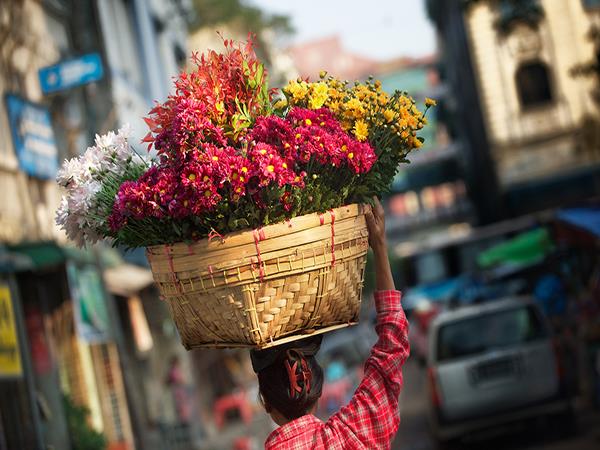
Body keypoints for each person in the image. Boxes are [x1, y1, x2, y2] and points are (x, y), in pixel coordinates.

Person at [250, 198, 410, 449]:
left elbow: (392, 344)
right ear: (318, 387)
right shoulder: (354, 432)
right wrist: (378, 245)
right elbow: (392, 346)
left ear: (265, 402)